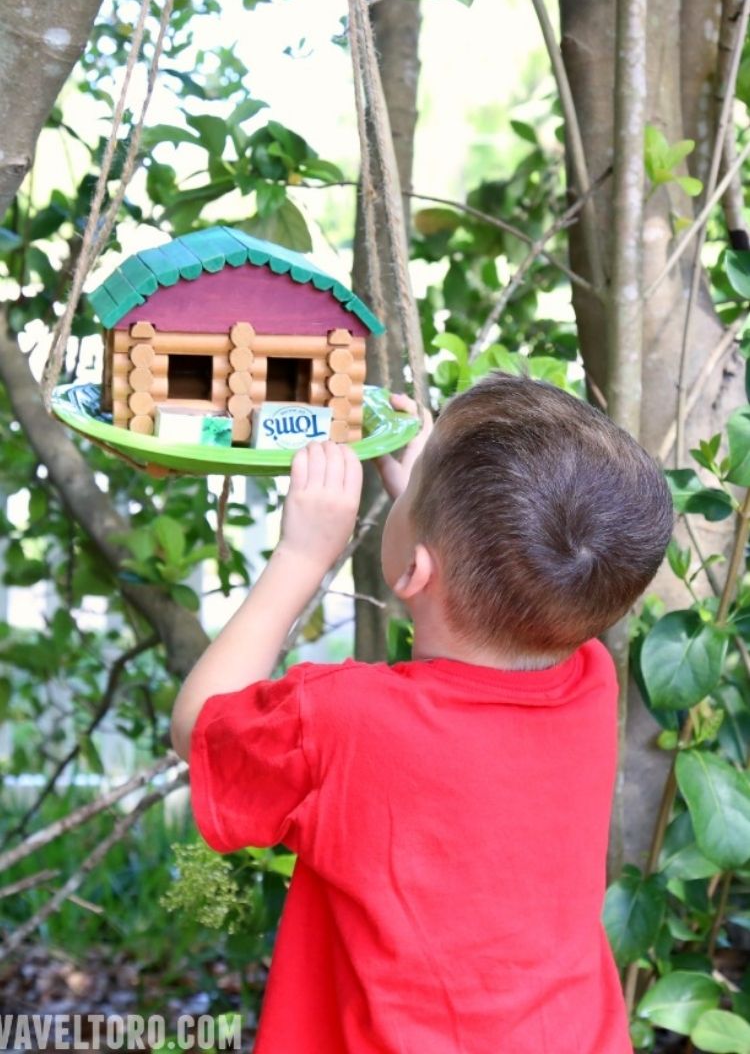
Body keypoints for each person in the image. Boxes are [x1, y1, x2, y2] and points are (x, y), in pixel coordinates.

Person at [170, 371, 674, 1054]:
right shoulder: (588, 681)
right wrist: (430, 502)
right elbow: (513, 592)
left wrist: (302, 556)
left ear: (414, 573)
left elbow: (199, 729)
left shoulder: (341, 722)